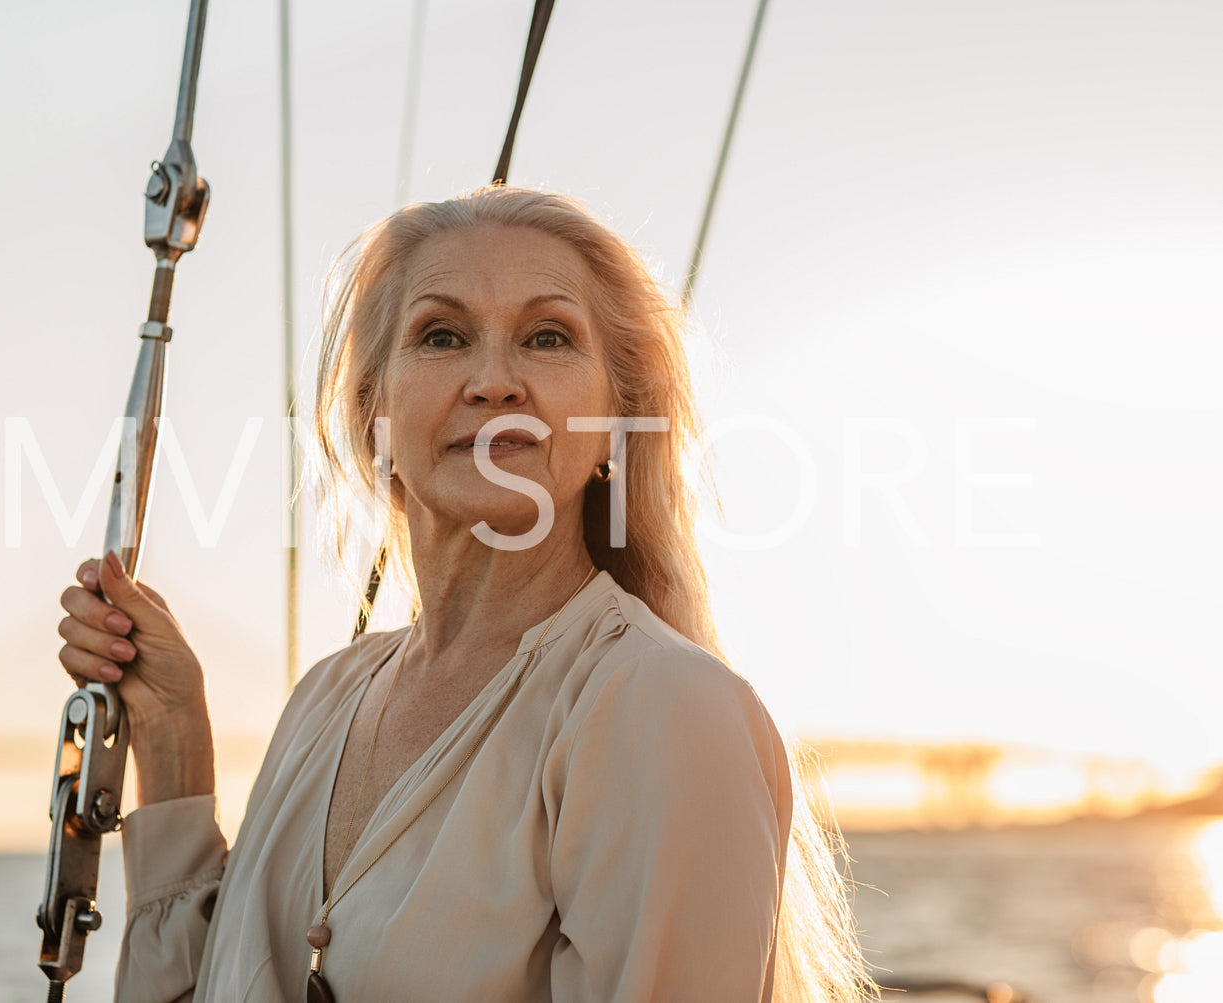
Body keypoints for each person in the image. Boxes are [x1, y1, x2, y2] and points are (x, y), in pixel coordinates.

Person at [57, 186, 875, 1002]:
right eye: (441, 336)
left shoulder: (660, 706)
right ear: (371, 413)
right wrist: (171, 734)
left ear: (615, 420)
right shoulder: (323, 701)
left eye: (547, 338)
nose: (494, 381)